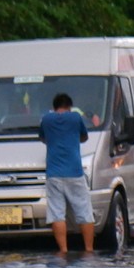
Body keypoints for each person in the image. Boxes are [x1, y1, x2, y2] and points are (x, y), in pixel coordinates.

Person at [39, 92, 96, 255]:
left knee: (57, 213)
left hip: (54, 173)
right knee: (84, 211)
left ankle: (63, 250)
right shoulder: (75, 118)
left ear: (54, 107)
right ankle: (89, 249)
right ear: (69, 106)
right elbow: (83, 137)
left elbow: (43, 138)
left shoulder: (46, 119)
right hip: (74, 172)